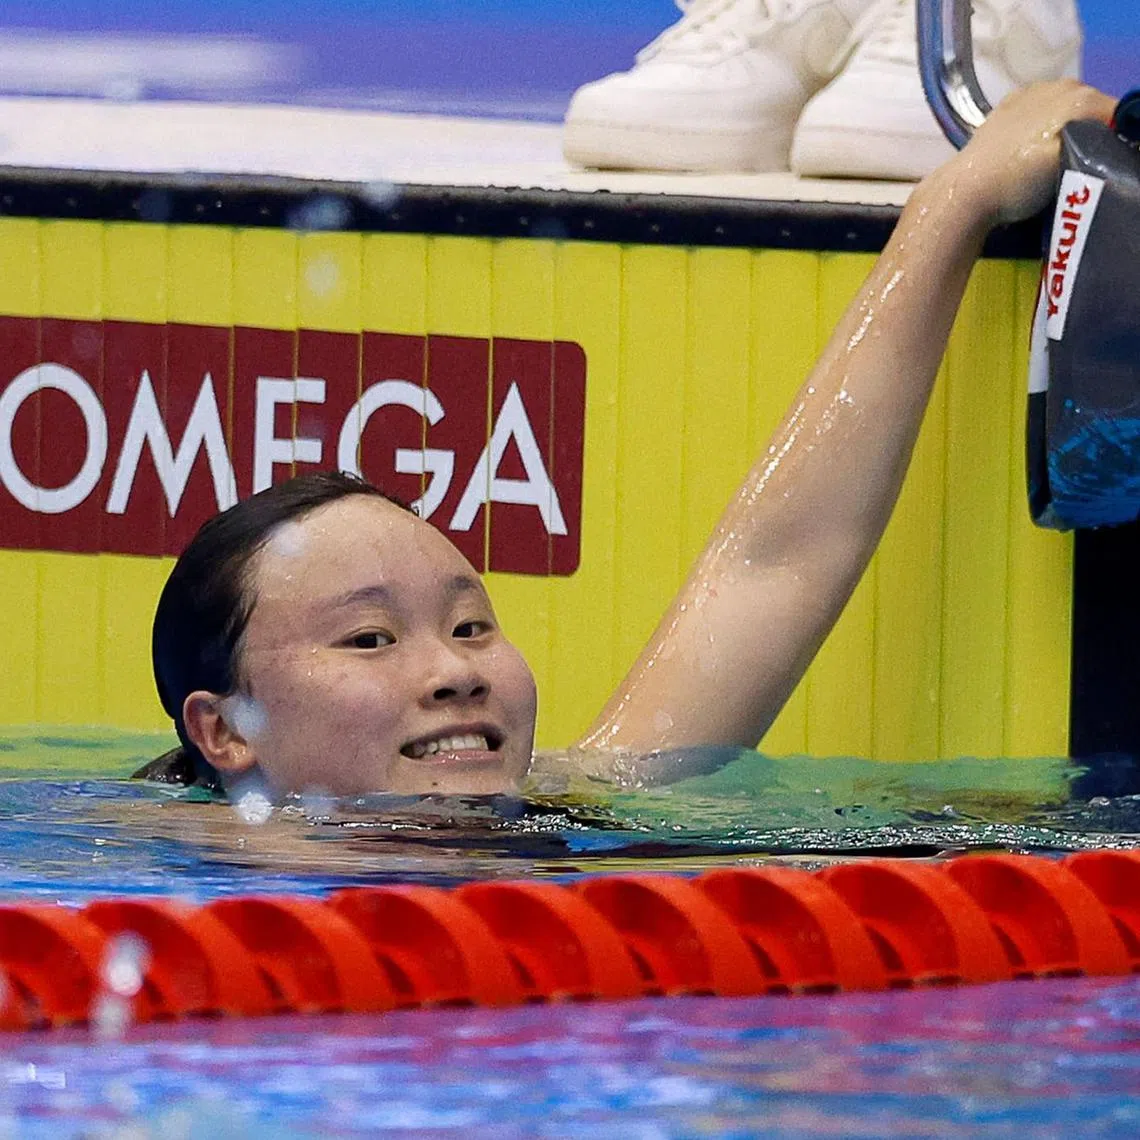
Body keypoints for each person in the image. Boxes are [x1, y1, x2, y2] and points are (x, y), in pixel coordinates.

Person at [144, 80, 1114, 800]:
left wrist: (956, 200)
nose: (455, 671)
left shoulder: (590, 808)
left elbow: (775, 563)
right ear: (225, 731)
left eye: (473, 624)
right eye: (369, 639)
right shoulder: (141, 881)